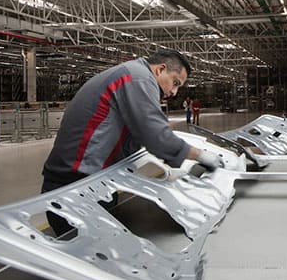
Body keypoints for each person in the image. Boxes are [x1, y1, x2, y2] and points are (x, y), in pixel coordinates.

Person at [41, 49, 224, 236]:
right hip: (76, 185)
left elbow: (137, 135)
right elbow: (156, 136)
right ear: (160, 70)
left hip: (92, 182)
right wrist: (199, 155)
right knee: (86, 253)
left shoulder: (132, 74)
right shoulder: (139, 78)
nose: (174, 92)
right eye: (175, 83)